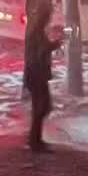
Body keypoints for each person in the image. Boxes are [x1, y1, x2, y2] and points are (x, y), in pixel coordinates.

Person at [24, 17, 64, 151]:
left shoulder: (36, 33)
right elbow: (42, 50)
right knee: (42, 107)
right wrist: (57, 43)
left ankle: (35, 140)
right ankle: (34, 141)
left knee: (41, 108)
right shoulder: (37, 34)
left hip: (36, 75)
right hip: (37, 76)